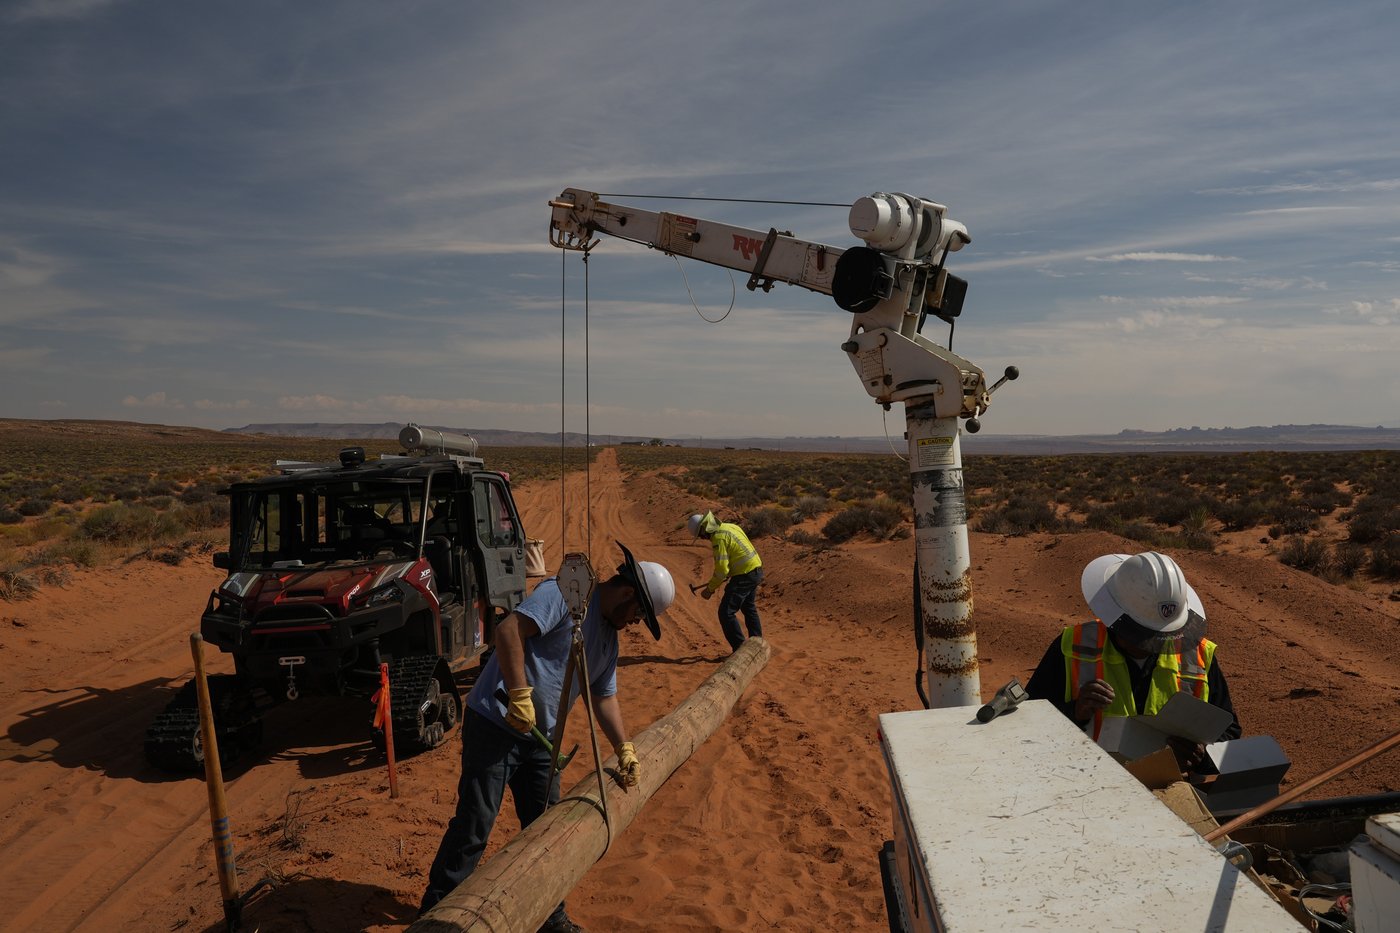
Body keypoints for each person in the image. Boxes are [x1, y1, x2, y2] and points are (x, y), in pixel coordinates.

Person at [420, 544, 676, 931]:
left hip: (544, 742)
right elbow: (509, 631)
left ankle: (549, 916)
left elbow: (603, 697)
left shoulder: (608, 640)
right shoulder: (568, 594)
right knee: (476, 822)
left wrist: (624, 747)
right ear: (628, 594)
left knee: (546, 830)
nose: (636, 622)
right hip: (495, 722)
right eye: (640, 613)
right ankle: (435, 914)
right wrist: (520, 694)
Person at [1026, 551, 1241, 773]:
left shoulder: (1198, 654)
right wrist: (1074, 712)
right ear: (1115, 618)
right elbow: (1027, 725)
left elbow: (1229, 730)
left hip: (1171, 786)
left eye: (1160, 636)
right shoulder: (1073, 646)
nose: (1151, 644)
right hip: (1087, 783)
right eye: (1141, 635)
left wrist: (1202, 756)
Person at [687, 511, 763, 652]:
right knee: (748, 607)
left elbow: (721, 571)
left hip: (744, 575)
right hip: (756, 569)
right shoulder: (730, 526)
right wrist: (732, 569)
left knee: (726, 612)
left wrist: (709, 589)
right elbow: (739, 549)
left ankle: (740, 650)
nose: (703, 538)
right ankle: (757, 645)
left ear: (704, 529)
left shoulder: (718, 538)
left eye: (700, 535)